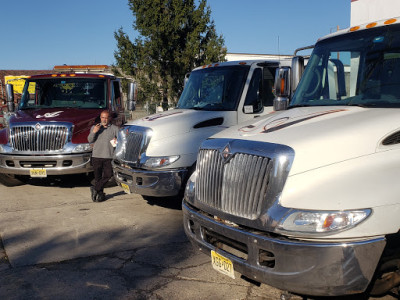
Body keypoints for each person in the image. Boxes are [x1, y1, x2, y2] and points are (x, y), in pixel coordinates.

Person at [88, 110, 119, 202]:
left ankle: (95, 188)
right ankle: (100, 196)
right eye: (103, 117)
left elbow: (121, 142)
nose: (104, 120)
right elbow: (90, 140)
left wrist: (117, 140)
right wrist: (94, 132)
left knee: (108, 175)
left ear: (109, 118)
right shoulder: (95, 127)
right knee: (97, 178)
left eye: (106, 117)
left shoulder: (115, 128)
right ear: (100, 118)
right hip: (96, 156)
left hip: (108, 156)